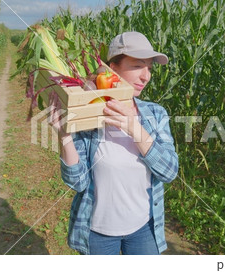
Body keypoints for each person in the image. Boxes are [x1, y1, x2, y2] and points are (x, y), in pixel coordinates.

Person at [53, 31, 178, 255]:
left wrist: (134, 128)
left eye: (149, 68)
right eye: (137, 66)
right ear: (112, 69)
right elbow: (78, 183)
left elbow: (169, 172)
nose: (145, 76)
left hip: (144, 229)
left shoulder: (155, 114)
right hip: (98, 232)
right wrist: (64, 137)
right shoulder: (87, 117)